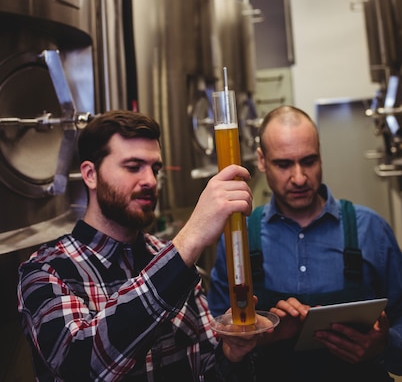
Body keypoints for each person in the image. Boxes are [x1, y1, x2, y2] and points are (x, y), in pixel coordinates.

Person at [17, 109, 267, 382]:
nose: (150, 180)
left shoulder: (170, 259)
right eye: (133, 167)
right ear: (90, 174)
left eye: (155, 168)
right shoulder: (47, 270)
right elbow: (81, 367)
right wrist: (190, 238)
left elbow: (204, 370)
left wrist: (230, 354)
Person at [208, 105, 402, 382]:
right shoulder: (239, 240)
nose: (299, 178)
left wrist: (385, 342)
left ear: (320, 154)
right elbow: (213, 341)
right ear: (261, 160)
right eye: (283, 164)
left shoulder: (371, 229)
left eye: (309, 161)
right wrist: (258, 335)